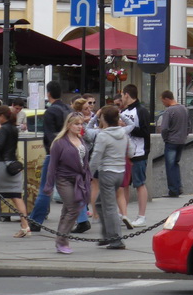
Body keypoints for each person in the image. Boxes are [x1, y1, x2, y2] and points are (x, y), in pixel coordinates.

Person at [43, 112, 91, 254]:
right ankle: (62, 240)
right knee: (73, 208)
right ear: (69, 125)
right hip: (64, 179)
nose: (79, 126)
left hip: (78, 178)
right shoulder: (59, 143)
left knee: (67, 210)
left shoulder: (81, 140)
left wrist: (86, 176)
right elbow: (52, 166)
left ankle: (61, 240)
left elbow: (85, 161)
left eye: (81, 123)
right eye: (76, 123)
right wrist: (49, 185)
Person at [87, 104, 133, 250]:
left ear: (103, 119)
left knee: (110, 207)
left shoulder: (103, 135)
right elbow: (131, 151)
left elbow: (96, 157)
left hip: (107, 172)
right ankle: (108, 235)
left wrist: (88, 172)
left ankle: (115, 239)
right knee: (100, 204)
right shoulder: (123, 132)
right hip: (120, 172)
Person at [28, 81, 71, 232]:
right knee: (72, 187)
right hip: (70, 152)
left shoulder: (51, 112)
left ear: (48, 94)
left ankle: (35, 220)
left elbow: (49, 135)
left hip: (54, 154)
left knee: (45, 188)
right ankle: (83, 218)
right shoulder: (68, 109)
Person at [0, 104, 30, 237]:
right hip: (14, 165)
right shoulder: (14, 128)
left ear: (1, 116)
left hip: (3, 166)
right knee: (17, 196)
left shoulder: (3, 129)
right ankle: (25, 226)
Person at [120, 83, 151, 227]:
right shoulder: (124, 111)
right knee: (124, 184)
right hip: (125, 152)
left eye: (122, 95)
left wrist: (127, 128)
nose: (121, 98)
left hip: (139, 152)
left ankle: (142, 216)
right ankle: (124, 214)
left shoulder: (141, 111)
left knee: (139, 183)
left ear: (127, 95)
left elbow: (145, 132)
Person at [159, 89, 190, 197]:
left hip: (171, 141)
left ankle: (173, 190)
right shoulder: (184, 109)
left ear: (167, 99)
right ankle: (178, 186)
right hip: (181, 141)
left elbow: (164, 128)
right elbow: (188, 125)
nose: (163, 104)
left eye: (163, 101)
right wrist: (184, 136)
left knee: (170, 166)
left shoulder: (169, 111)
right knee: (176, 164)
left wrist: (165, 138)